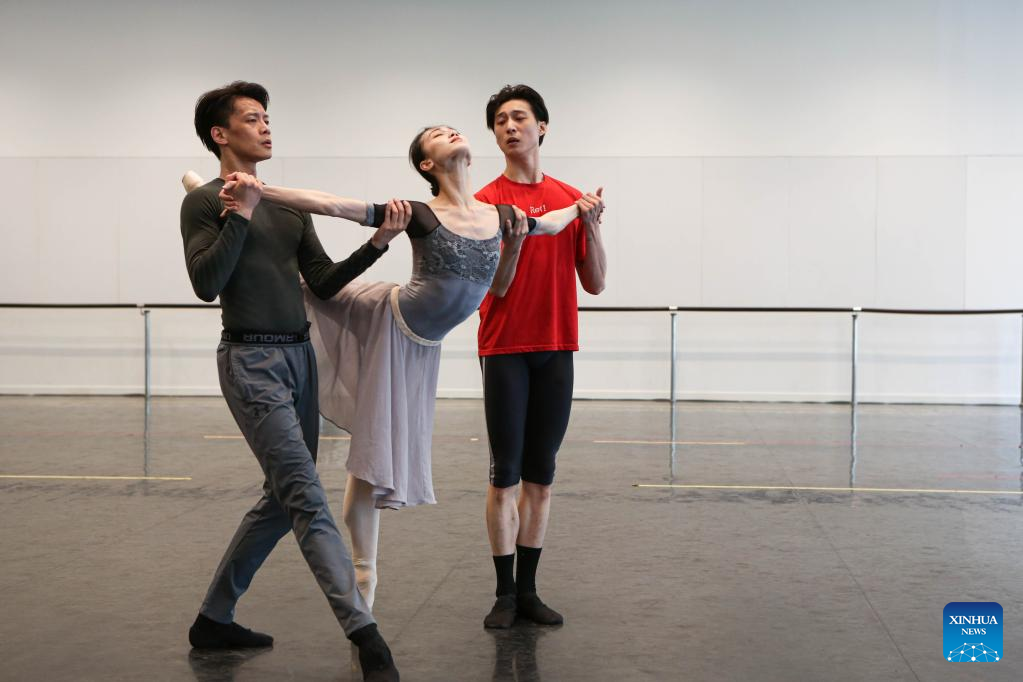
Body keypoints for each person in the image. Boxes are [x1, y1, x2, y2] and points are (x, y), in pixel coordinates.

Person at [216, 123, 598, 613]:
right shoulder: (418, 212)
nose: (451, 132)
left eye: (453, 128)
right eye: (438, 134)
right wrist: (259, 191)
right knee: (371, 443)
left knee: (380, 444)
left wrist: (582, 207)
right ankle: (363, 572)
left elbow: (554, 223)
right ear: (426, 164)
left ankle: (363, 571)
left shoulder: (501, 214)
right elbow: (333, 204)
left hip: (423, 345)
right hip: (391, 323)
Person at [179, 80, 403, 682]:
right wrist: (239, 214)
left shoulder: (289, 205)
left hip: (300, 360)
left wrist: (378, 243)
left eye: (267, 117)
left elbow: (323, 282)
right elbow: (206, 284)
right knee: (304, 494)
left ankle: (214, 618)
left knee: (282, 500)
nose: (266, 126)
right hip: (250, 363)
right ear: (220, 135)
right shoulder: (204, 202)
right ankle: (367, 636)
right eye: (253, 118)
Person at [475, 85, 607, 629]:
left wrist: (590, 224)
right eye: (500, 121)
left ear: (542, 127)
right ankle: (504, 594)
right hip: (505, 348)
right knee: (505, 475)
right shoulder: (484, 202)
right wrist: (514, 241)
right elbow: (495, 287)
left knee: (542, 477)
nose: (510, 127)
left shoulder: (570, 199)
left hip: (556, 348)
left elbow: (595, 282)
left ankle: (528, 591)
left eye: (520, 118)